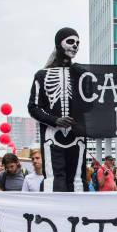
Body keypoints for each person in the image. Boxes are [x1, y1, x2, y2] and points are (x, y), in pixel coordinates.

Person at [28, 27, 89, 192]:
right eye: (70, 41)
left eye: (78, 43)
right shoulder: (41, 75)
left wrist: (87, 80)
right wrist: (55, 120)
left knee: (78, 181)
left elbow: (91, 104)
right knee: (55, 181)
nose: (75, 46)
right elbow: (33, 107)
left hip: (78, 135)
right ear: (58, 44)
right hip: (51, 136)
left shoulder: (80, 75)